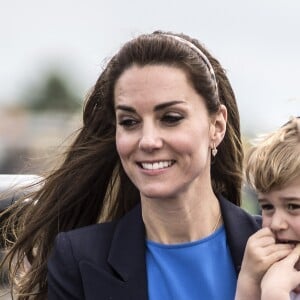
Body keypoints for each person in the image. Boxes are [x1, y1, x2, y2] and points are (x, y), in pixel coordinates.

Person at [1, 30, 261, 300]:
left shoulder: (278, 245)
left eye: (170, 118)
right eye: (129, 122)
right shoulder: (79, 261)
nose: (147, 140)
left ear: (216, 126)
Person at [235, 116, 300, 300]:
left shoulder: (275, 286)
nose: (276, 223)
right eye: (268, 206)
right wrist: (249, 281)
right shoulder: (275, 275)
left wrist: (274, 294)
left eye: (293, 206)